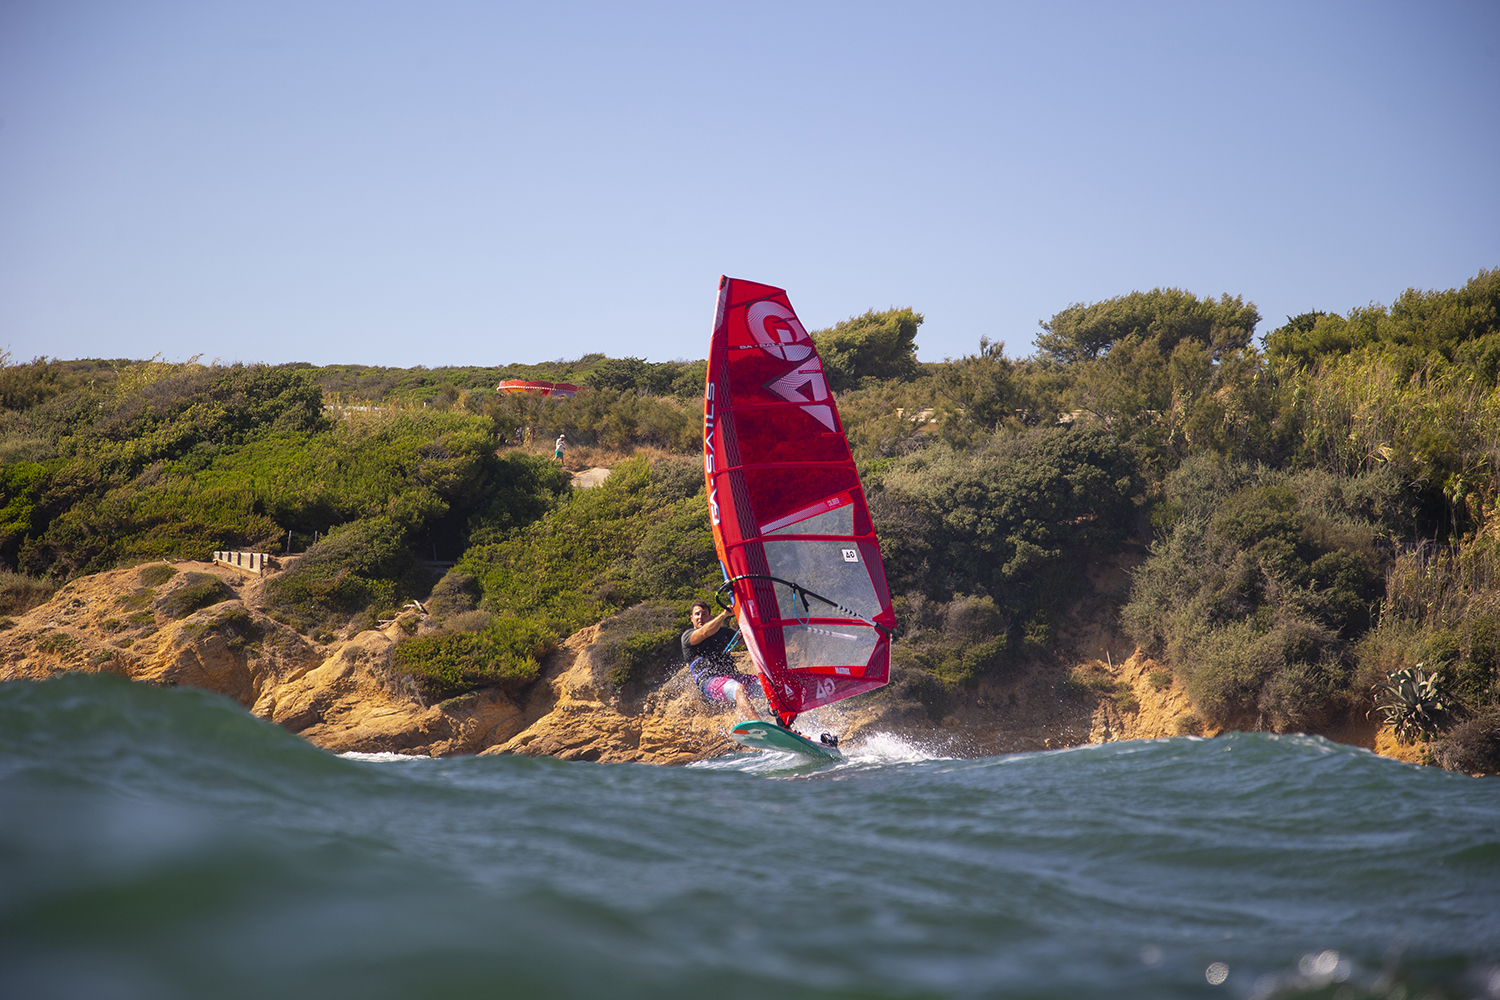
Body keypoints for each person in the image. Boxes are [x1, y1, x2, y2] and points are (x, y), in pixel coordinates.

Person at [681, 599, 760, 721]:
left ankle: (784, 721)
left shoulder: (723, 632)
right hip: (709, 683)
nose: (700, 617)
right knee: (739, 688)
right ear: (691, 618)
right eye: (697, 614)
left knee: (767, 684)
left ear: (709, 616)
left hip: (732, 677)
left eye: (704, 613)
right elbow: (704, 633)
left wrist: (749, 616)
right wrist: (724, 615)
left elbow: (750, 641)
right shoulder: (688, 636)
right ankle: (758, 726)